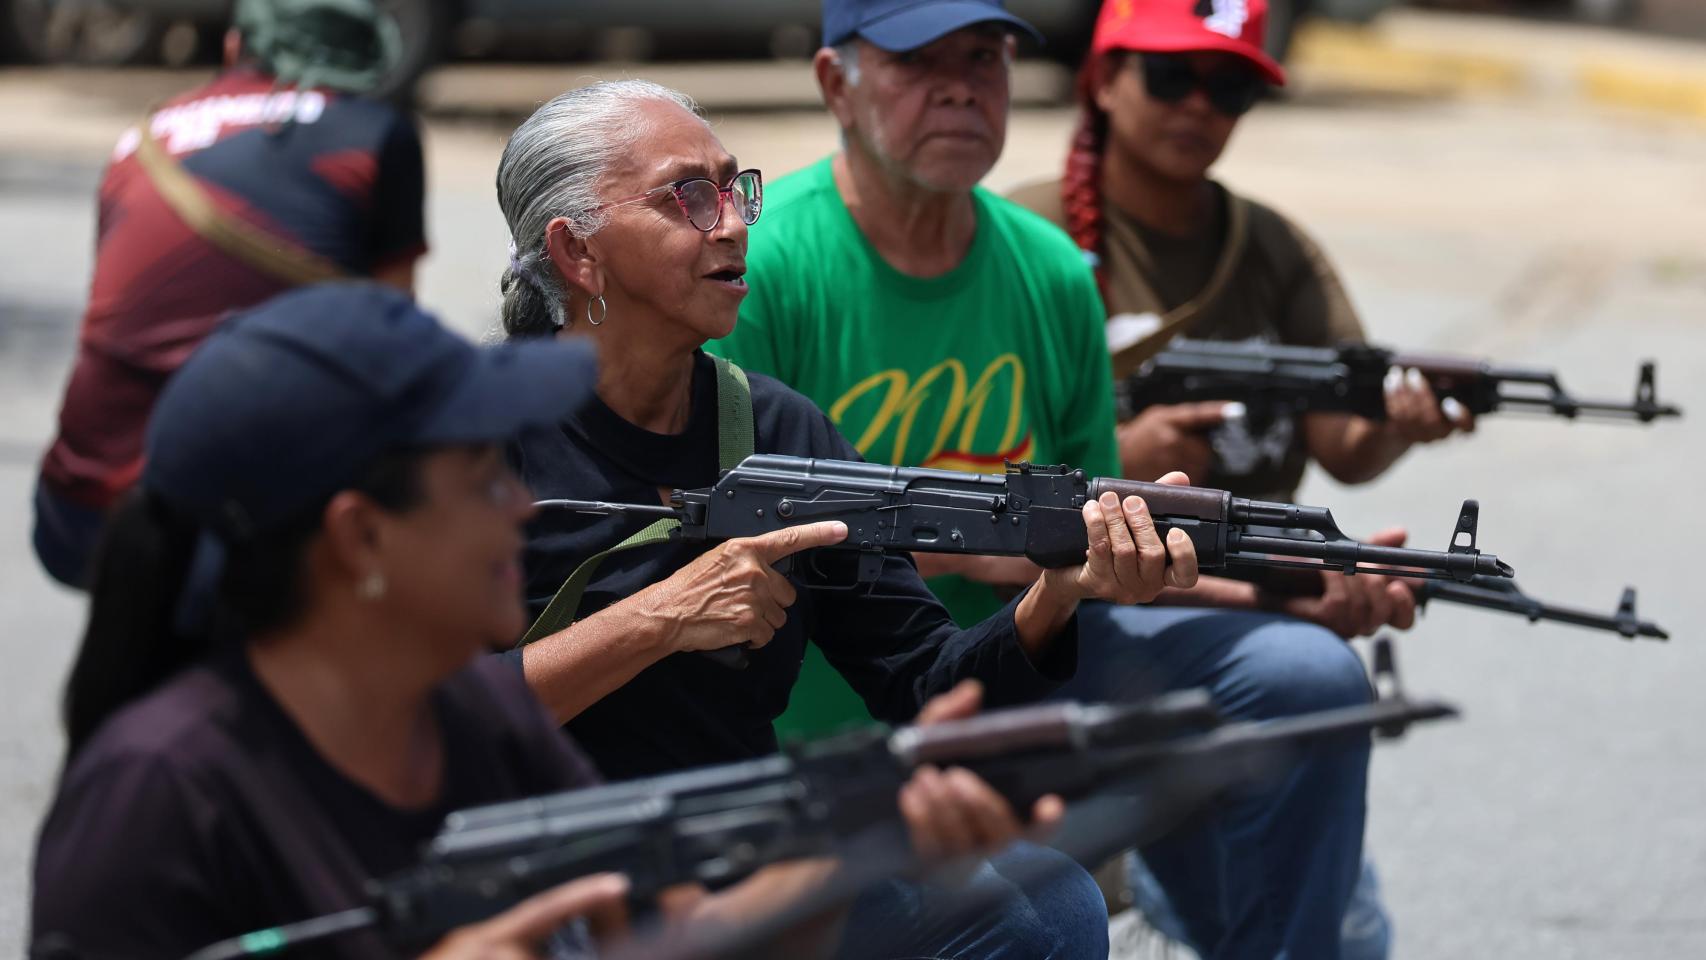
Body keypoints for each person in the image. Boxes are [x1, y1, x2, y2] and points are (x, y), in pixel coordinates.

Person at [29, 283, 1055, 960]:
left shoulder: (473, 723)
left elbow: (676, 940)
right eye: (481, 480)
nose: (518, 509)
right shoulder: (158, 791)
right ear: (359, 540)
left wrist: (854, 846)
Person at [706, 0, 1393, 956]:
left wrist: (1288, 592)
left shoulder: (1052, 271)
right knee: (1051, 910)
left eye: (984, 59)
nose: (960, 86)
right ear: (836, 85)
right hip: (832, 697)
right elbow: (721, 543)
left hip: (1032, 659)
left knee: (1307, 675)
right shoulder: (764, 269)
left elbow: (1100, 556)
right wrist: (970, 549)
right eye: (919, 61)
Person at [496, 78, 1203, 958]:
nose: (732, 223)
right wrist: (658, 619)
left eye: (734, 187)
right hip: (530, 874)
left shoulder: (778, 428)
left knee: (1051, 901)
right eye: (689, 196)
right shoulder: (467, 442)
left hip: (732, 848)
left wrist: (1060, 593)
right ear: (578, 252)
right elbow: (420, 724)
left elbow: (922, 679)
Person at [1007, 2, 1476, 954]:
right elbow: (989, 488)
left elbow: (1346, 442)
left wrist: (1406, 427)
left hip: (1242, 595)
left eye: (1229, 88)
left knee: (1339, 931)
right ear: (1103, 80)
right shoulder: (1030, 242)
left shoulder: (1272, 245)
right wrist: (1120, 463)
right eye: (1173, 78)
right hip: (1075, 603)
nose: (1200, 108)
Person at [32, 0, 428, 589]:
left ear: (234, 48)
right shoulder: (376, 135)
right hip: (247, 518)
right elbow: (391, 344)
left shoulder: (140, 139)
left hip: (79, 505)